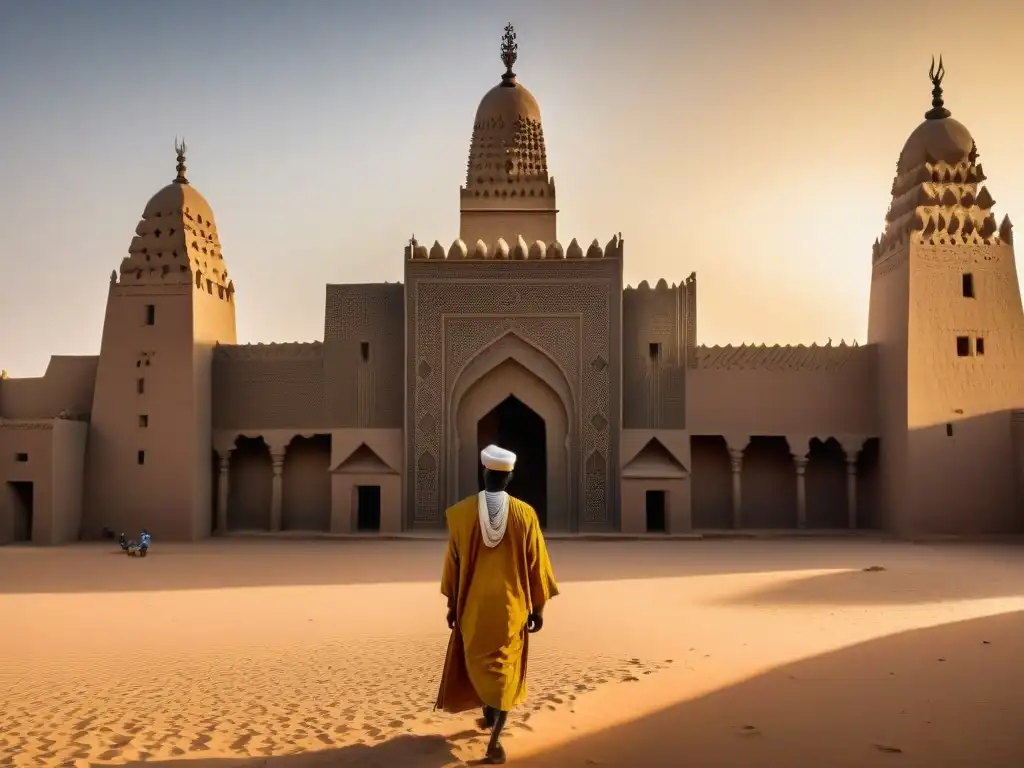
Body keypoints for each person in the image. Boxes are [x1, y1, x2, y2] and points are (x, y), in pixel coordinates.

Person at [435, 444, 559, 765]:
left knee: (479, 663)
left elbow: (453, 564)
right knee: (503, 669)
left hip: (474, 608)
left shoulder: (462, 513)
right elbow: (537, 565)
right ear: (511, 477)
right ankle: (495, 740)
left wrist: (451, 606)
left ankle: (489, 718)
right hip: (511, 608)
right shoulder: (525, 515)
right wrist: (538, 608)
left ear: (484, 472)